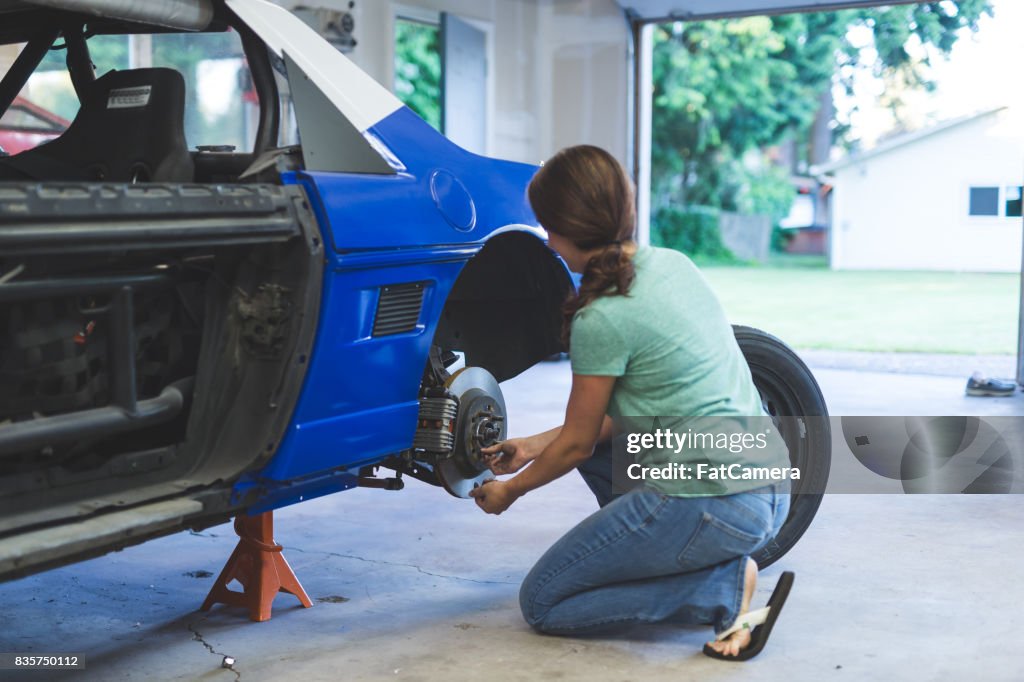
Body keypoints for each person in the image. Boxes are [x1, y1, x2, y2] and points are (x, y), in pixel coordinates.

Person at [469, 144, 794, 660]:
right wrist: (531, 446)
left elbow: (576, 444)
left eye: (547, 227)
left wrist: (511, 491)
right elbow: (617, 419)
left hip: (719, 503)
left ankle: (721, 588)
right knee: (603, 452)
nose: (547, 240)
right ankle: (682, 558)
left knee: (544, 601)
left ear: (565, 230)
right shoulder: (673, 265)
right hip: (772, 485)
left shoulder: (601, 317)